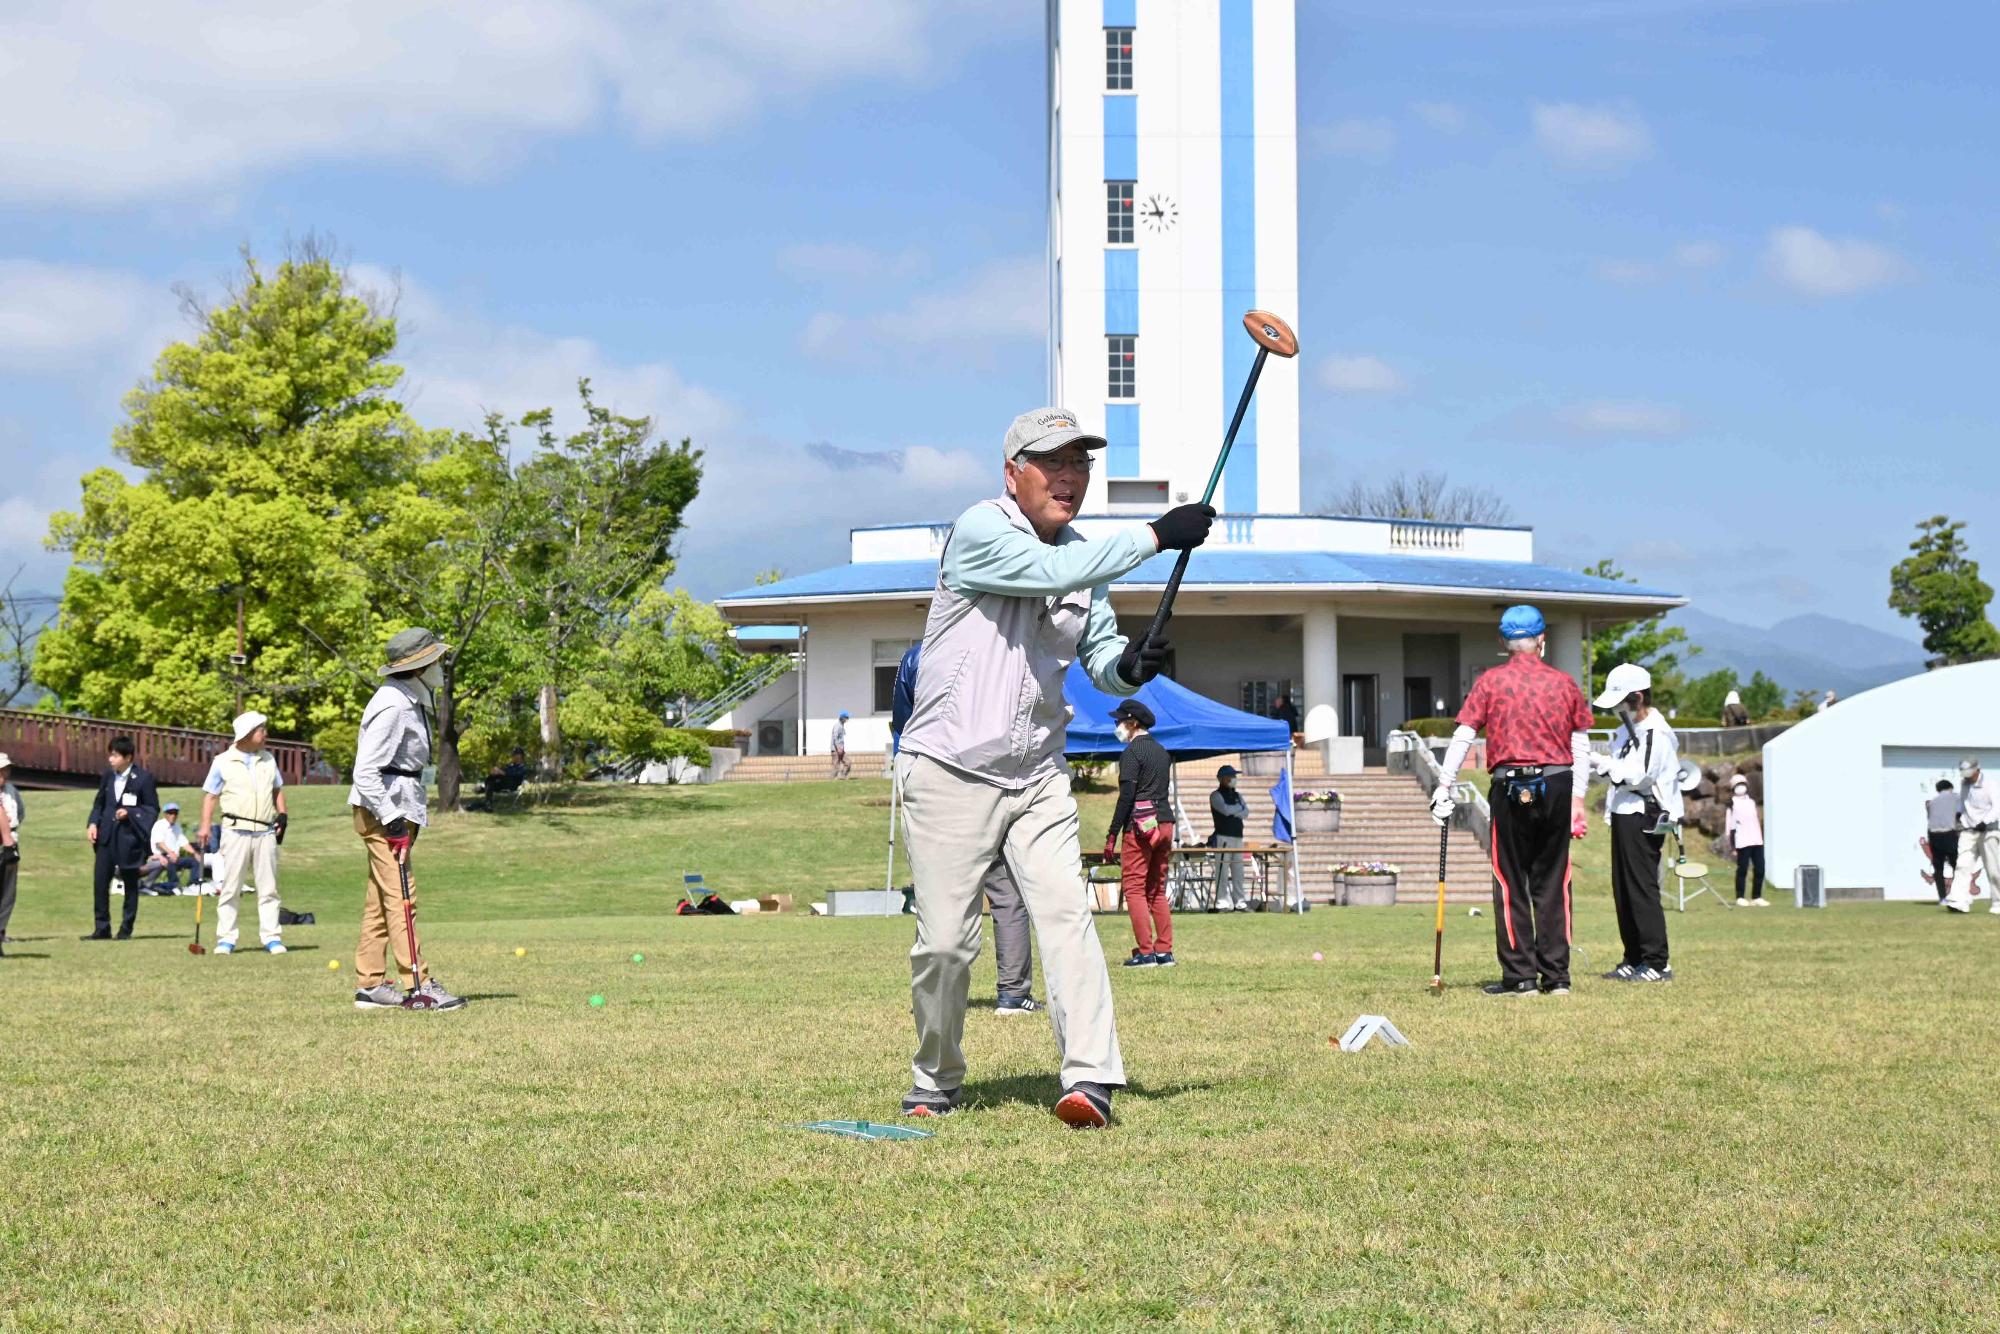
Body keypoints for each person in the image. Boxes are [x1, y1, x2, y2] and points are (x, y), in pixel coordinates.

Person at [895, 405, 1213, 1128]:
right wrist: (1158, 534)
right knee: (946, 943)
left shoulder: (1087, 559)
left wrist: (1129, 669)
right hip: (949, 766)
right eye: (1053, 462)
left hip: (1037, 772)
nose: (1070, 476)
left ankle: (1090, 1078)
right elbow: (1049, 570)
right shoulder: (981, 531)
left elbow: (1098, 659)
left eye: (1081, 463)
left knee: (1069, 918)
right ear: (1013, 474)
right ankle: (935, 1077)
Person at [1431, 606, 1593, 996]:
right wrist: (1579, 799)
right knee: (1554, 880)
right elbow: (1580, 744)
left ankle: (1520, 976)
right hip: (1557, 782)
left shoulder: (1490, 682)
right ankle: (1557, 977)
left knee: (1511, 881)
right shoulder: (1564, 683)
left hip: (1509, 786)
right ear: (1542, 640)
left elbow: (1463, 736)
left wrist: (1444, 785)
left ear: (1503, 643)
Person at [891, 641, 1040, 1013]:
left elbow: (901, 723)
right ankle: (1013, 993)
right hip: (991, 779)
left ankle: (932, 995)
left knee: (936, 897)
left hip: (934, 785)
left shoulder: (915, 657)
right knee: (1006, 896)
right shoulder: (999, 647)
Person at [349, 627, 465, 1010]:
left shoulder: (407, 699)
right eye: (434, 660)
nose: (439, 666)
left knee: (380, 899)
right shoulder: (394, 704)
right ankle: (419, 985)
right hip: (386, 812)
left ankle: (370, 985)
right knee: (402, 897)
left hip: (397, 809)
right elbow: (365, 770)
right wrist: (391, 818)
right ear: (418, 667)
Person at [1588, 663, 1683, 982]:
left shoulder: (1656, 731)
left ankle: (1657, 961)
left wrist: (1601, 763)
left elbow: (1640, 776)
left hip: (1646, 814)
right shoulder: (1625, 730)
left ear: (1639, 697)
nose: (1616, 709)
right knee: (1623, 889)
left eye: (1622, 701)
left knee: (1642, 888)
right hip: (1623, 814)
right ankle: (1634, 956)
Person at [197, 711, 290, 955]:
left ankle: (272, 937)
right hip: (235, 831)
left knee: (268, 887)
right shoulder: (222, 761)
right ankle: (226, 938)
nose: (266, 733)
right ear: (248, 734)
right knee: (231, 886)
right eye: (262, 729)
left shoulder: (268, 759)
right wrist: (205, 826)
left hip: (265, 831)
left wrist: (283, 814)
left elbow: (277, 789)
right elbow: (210, 796)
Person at [1106, 699, 1176, 968]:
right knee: (1156, 888)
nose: (1117, 726)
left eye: (1119, 721)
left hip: (1141, 827)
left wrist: (1113, 834)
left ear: (1132, 723)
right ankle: (1164, 951)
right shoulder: (1162, 752)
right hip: (1165, 822)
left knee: (1134, 888)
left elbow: (1127, 798)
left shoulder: (1132, 753)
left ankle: (1146, 952)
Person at [84, 735, 159, 941]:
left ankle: (125, 929)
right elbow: (99, 803)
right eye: (110, 754)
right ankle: (102, 928)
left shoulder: (144, 779)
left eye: (115, 755)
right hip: (106, 837)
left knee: (130, 883)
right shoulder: (108, 776)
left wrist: (131, 813)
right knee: (100, 883)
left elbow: (152, 809)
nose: (111, 759)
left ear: (128, 757)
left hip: (129, 839)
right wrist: (92, 823)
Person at [1944, 757, 2000, 916]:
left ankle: (1998, 902)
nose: (1966, 777)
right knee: (1962, 865)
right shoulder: (1964, 784)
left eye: (1969, 773)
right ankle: (1958, 901)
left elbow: (1997, 808)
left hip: (1989, 830)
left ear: (1977, 769)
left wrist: (1985, 821)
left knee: (1993, 869)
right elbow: (1963, 803)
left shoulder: (1991, 785)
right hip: (1969, 831)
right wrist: (1958, 814)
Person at [1209, 764, 1251, 913]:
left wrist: (1237, 811)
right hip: (1223, 837)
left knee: (1238, 871)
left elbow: (1246, 812)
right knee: (1223, 871)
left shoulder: (1238, 795)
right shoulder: (1216, 795)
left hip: (1238, 836)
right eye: (1231, 776)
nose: (1234, 779)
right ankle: (1222, 902)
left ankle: (1240, 902)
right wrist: (1238, 810)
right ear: (1222, 778)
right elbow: (1225, 810)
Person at [142, 801, 204, 895]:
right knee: (170, 861)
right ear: (165, 814)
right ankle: (174, 885)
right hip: (161, 857)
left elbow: (184, 842)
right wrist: (170, 852)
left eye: (175, 813)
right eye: (170, 813)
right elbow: (159, 843)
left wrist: (195, 853)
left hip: (174, 856)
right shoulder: (159, 825)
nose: (173, 815)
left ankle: (194, 884)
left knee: (194, 861)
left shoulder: (177, 827)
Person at [1725, 775, 1766, 906]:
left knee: (1760, 868)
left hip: (1756, 840)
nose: (1740, 787)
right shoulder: (1731, 804)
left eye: (1742, 784)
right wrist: (1732, 846)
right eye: (1737, 785)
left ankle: (1757, 896)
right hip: (1742, 841)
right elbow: (1729, 827)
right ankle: (1740, 896)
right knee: (1742, 869)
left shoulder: (1752, 802)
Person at [1925, 779, 1963, 904]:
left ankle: (1942, 898)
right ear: (1950, 787)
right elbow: (1960, 814)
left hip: (1933, 835)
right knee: (1956, 866)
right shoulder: (1955, 797)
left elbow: (1930, 817)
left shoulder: (1932, 802)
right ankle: (1959, 895)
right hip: (1948, 833)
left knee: (1938, 868)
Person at [0, 752, 20, 957]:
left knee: (7, 892)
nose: (5, 772)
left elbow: (19, 813)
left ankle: (1, 930)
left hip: (11, 841)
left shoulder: (12, 791)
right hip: (4, 841)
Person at [831, 711, 852, 780]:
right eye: (846, 718)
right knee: (836, 765)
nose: (847, 719)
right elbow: (835, 737)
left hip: (841, 749)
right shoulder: (837, 726)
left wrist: (841, 748)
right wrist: (838, 747)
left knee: (848, 762)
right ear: (842, 718)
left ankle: (843, 775)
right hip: (836, 749)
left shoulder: (841, 726)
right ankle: (834, 779)